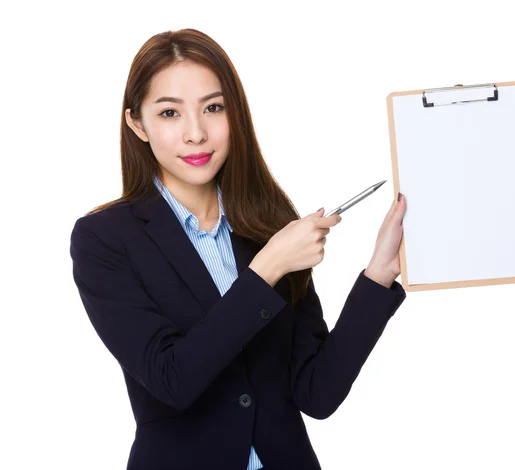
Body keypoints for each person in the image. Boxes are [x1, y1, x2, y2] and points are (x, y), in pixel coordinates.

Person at [69, 28, 408, 470]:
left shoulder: (268, 221)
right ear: (138, 124)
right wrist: (268, 268)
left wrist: (378, 277)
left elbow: (316, 393)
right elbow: (172, 380)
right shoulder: (104, 238)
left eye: (213, 108)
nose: (196, 134)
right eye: (170, 113)